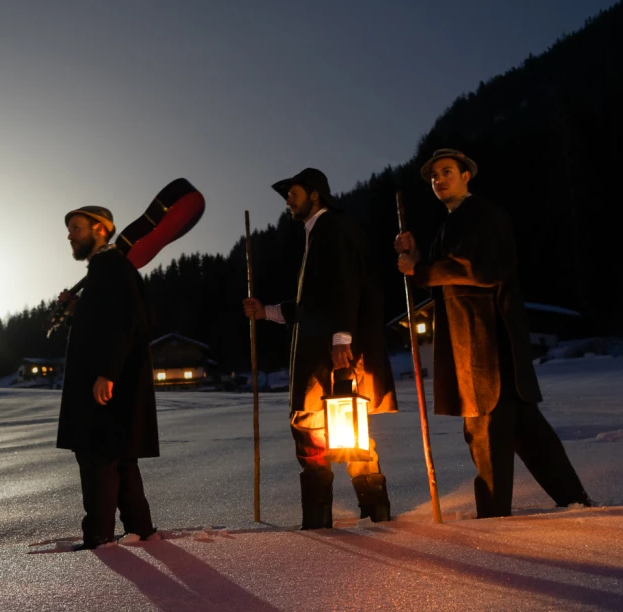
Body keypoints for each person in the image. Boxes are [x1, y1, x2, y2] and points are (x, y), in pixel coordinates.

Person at [395, 150, 593, 518]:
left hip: (486, 344)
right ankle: (575, 501)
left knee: (486, 432)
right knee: (528, 432)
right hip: (476, 342)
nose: (439, 180)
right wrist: (419, 260)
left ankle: (492, 519)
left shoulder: (483, 215)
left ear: (467, 175)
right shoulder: (449, 226)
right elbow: (447, 285)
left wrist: (420, 270)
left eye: (447, 172)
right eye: (434, 176)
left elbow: (480, 269)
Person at [243, 168, 398, 529]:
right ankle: (368, 516)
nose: (287, 200)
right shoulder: (319, 233)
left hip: (329, 354)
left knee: (324, 428)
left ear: (315, 194)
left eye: (293, 193)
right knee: (335, 432)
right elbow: (312, 303)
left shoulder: (334, 228)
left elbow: (347, 284)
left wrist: (342, 337)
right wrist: (265, 312)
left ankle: (343, 519)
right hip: (321, 348)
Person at [56, 205, 160, 549]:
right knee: (120, 456)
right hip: (110, 382)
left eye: (76, 227)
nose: (69, 234)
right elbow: (100, 325)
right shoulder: (105, 269)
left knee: (97, 456)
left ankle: (98, 538)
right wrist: (76, 311)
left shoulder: (112, 267)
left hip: (104, 383)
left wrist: (107, 372)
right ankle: (141, 532)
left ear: (100, 229)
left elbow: (127, 322)